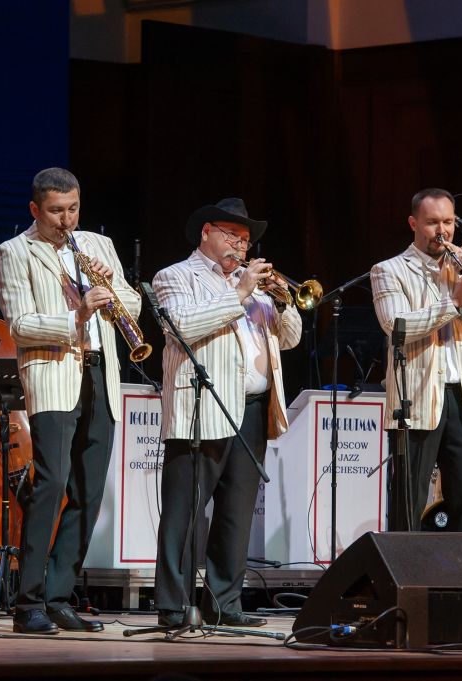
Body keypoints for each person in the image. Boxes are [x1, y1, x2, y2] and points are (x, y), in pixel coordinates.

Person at [0, 168, 141, 634]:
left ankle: (58, 597)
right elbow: (20, 325)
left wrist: (111, 290)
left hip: (101, 373)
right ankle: (28, 602)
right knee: (52, 484)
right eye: (56, 211)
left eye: (73, 209)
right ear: (35, 209)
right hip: (53, 374)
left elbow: (133, 306)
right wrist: (78, 313)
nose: (67, 220)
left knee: (88, 492)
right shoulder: (14, 251)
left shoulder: (99, 245)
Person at [152, 198, 302, 628]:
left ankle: (224, 604)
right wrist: (239, 293)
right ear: (206, 233)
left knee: (236, 513)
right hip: (202, 407)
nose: (241, 245)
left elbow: (289, 339)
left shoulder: (254, 286)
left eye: (246, 239)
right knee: (184, 510)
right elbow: (179, 326)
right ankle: (173, 606)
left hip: (252, 409)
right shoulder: (175, 276)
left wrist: (284, 302)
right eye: (233, 235)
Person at [371, 188, 462, 532]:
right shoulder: (389, 270)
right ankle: (405, 568)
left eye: (448, 222)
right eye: (433, 222)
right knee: (409, 505)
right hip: (415, 399)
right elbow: (396, 326)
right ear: (413, 223)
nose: (442, 231)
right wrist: (454, 303)